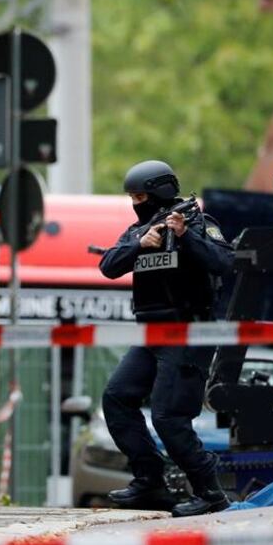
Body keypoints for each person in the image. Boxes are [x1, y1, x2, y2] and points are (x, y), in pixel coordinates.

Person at [98, 160, 233, 517]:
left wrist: (187, 237)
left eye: (141, 196)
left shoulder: (199, 224)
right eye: (131, 197)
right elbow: (109, 266)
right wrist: (140, 244)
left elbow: (224, 262)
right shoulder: (140, 230)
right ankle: (150, 481)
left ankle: (210, 492)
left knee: (169, 416)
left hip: (189, 330)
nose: (135, 202)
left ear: (159, 191)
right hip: (151, 332)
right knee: (117, 398)